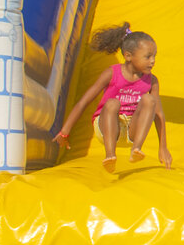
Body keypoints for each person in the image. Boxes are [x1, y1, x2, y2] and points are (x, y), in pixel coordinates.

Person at [53, 23, 169, 172]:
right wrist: (65, 131)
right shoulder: (112, 73)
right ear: (128, 56)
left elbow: (158, 114)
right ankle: (110, 156)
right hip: (107, 126)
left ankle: (136, 149)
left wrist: (163, 147)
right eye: (147, 57)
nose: (152, 61)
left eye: (154, 56)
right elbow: (84, 102)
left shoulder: (152, 80)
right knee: (113, 103)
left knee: (149, 100)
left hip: (130, 130)